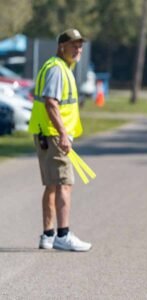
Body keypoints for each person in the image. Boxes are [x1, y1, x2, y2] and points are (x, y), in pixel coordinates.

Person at [28, 28, 92, 252]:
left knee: (52, 185)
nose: (78, 49)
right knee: (65, 184)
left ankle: (48, 235)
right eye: (73, 45)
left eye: (80, 45)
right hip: (54, 135)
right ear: (61, 46)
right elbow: (51, 103)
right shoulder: (57, 69)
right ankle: (63, 235)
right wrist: (64, 134)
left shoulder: (58, 67)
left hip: (46, 133)